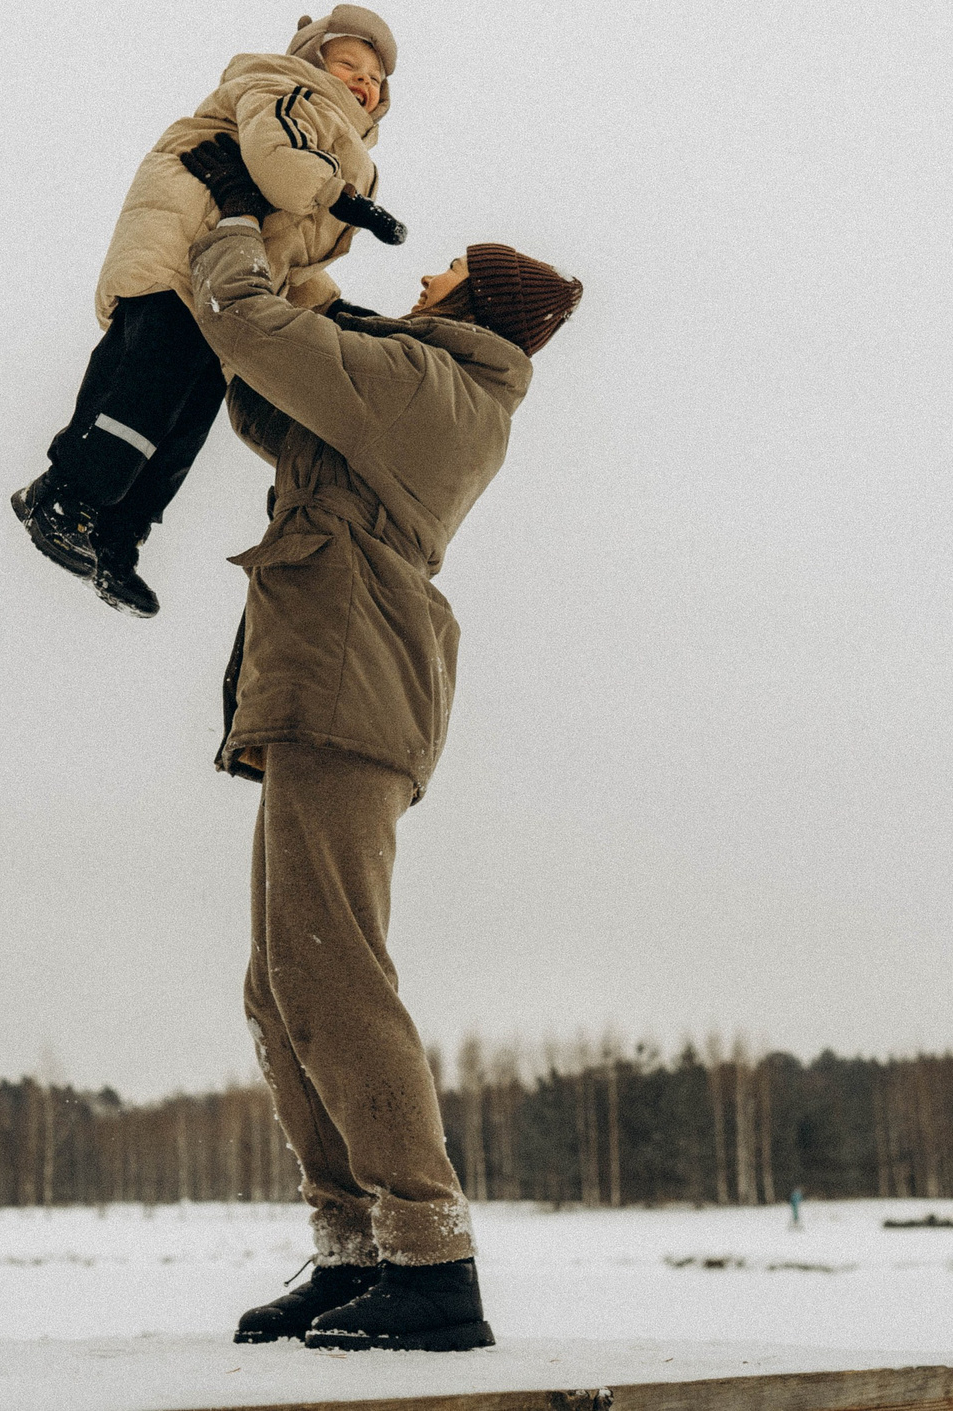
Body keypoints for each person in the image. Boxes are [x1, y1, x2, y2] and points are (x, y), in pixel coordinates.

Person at [176, 135, 583, 1352]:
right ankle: (354, 1251)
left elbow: (254, 335)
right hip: (327, 677)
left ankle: (429, 1264)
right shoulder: (420, 385)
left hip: (350, 682)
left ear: (480, 305)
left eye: (446, 272)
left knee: (335, 972)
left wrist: (237, 220)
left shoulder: (433, 390)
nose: (424, 280)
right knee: (283, 980)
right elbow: (273, 399)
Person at [10, 5, 408, 618]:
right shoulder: (287, 88)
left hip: (229, 281)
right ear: (313, 60)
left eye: (375, 77)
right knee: (146, 386)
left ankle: (117, 538)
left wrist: (332, 309)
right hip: (184, 253)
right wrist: (345, 198)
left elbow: (289, 256)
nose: (361, 80)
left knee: (188, 419)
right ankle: (64, 495)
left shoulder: (346, 146)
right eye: (347, 62)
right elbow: (284, 175)